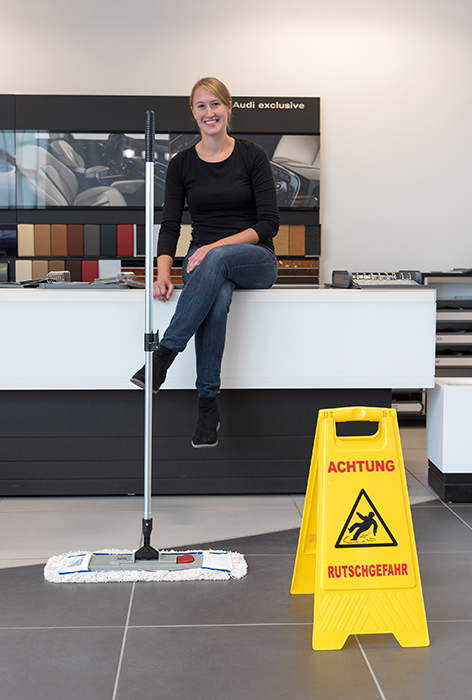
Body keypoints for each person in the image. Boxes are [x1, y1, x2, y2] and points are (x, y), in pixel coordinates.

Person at [131, 77, 279, 448]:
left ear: (228, 108)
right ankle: (208, 406)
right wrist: (162, 273)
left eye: (215, 104)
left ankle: (163, 356)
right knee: (218, 299)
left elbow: (268, 224)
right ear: (193, 112)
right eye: (201, 105)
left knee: (218, 257)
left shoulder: (252, 156)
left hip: (255, 258)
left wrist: (214, 246)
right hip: (204, 262)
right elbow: (169, 225)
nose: (209, 112)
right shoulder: (182, 164)